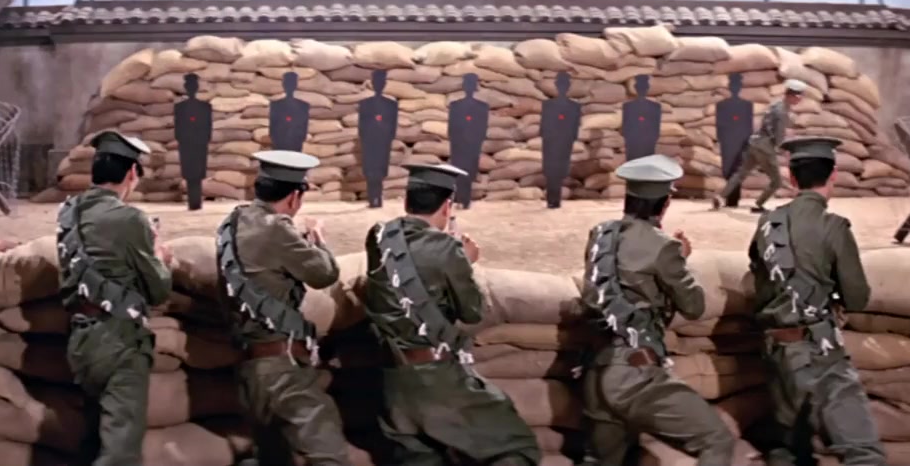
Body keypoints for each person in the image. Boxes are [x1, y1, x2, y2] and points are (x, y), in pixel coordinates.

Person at [362, 163, 540, 466]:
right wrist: (463, 261)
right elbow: (471, 312)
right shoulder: (446, 249)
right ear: (447, 206)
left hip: (393, 385)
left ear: (407, 201)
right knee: (517, 447)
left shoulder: (378, 236)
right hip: (438, 380)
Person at [577, 154, 735, 465]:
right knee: (716, 439)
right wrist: (682, 259)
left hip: (595, 370)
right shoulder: (664, 246)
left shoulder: (600, 234)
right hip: (633, 375)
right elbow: (694, 306)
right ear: (665, 203)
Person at [747, 137, 885, 466]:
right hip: (819, 354)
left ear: (792, 178)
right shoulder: (833, 227)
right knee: (863, 453)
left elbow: (759, 278)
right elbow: (857, 297)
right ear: (833, 174)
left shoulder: (767, 224)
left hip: (777, 353)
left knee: (788, 450)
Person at [216, 150, 350, 466]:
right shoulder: (277, 228)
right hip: (281, 371)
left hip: (250, 372)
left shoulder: (232, 223)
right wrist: (317, 239)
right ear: (293, 197)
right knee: (329, 453)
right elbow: (324, 274)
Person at [56, 130, 173, 466]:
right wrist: (160, 259)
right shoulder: (130, 218)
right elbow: (158, 290)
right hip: (119, 341)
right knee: (120, 452)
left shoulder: (69, 212)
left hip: (81, 339)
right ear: (132, 173)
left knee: (92, 441)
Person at [712, 78, 806, 214]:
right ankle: (759, 204)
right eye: (800, 96)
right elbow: (779, 135)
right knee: (776, 181)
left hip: (754, 143)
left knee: (741, 173)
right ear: (794, 96)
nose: (800, 100)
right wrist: (785, 149)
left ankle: (721, 196)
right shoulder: (782, 112)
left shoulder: (776, 105)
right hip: (765, 147)